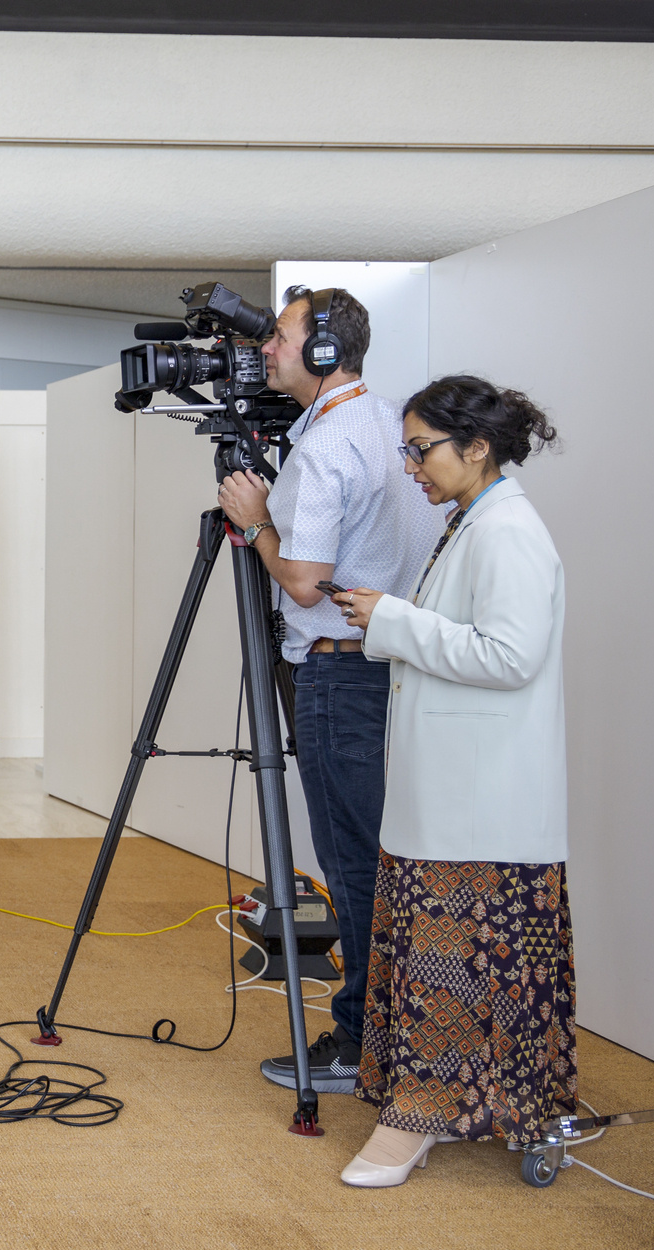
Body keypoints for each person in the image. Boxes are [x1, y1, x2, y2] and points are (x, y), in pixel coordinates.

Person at [332, 376, 569, 1187]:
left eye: (420, 448)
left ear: (477, 448)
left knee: (458, 963)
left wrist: (393, 621)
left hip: (483, 807)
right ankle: (458, 1108)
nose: (410, 467)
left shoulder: (509, 532)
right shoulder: (475, 521)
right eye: (407, 448)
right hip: (458, 798)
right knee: (457, 961)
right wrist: (396, 618)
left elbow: (510, 656)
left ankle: (418, 1122)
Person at [216, 286, 442, 1094]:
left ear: (320, 352)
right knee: (385, 855)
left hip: (340, 674)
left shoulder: (322, 447)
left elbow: (305, 583)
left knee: (352, 866)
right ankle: (394, 1029)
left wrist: (255, 520)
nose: (263, 350)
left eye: (277, 337)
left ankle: (359, 1044)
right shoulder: (387, 423)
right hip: (395, 667)